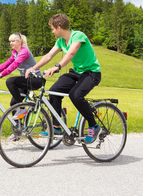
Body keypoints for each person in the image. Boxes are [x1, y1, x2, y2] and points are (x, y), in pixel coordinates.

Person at [25, 14, 102, 144]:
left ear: (59, 27)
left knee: (76, 95)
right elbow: (49, 55)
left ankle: (93, 126)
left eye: (53, 29)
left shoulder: (78, 35)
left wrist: (57, 66)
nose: (52, 31)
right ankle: (56, 127)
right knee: (54, 91)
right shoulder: (60, 41)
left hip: (91, 73)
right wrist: (34, 67)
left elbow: (71, 53)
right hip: (77, 72)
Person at [0, 33, 43, 122]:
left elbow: (14, 65)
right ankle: (18, 130)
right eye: (10, 41)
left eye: (13, 41)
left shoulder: (24, 51)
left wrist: (1, 75)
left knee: (10, 81)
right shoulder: (16, 53)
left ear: (19, 42)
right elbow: (5, 64)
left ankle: (22, 108)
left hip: (35, 80)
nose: (11, 43)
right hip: (26, 81)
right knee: (13, 103)